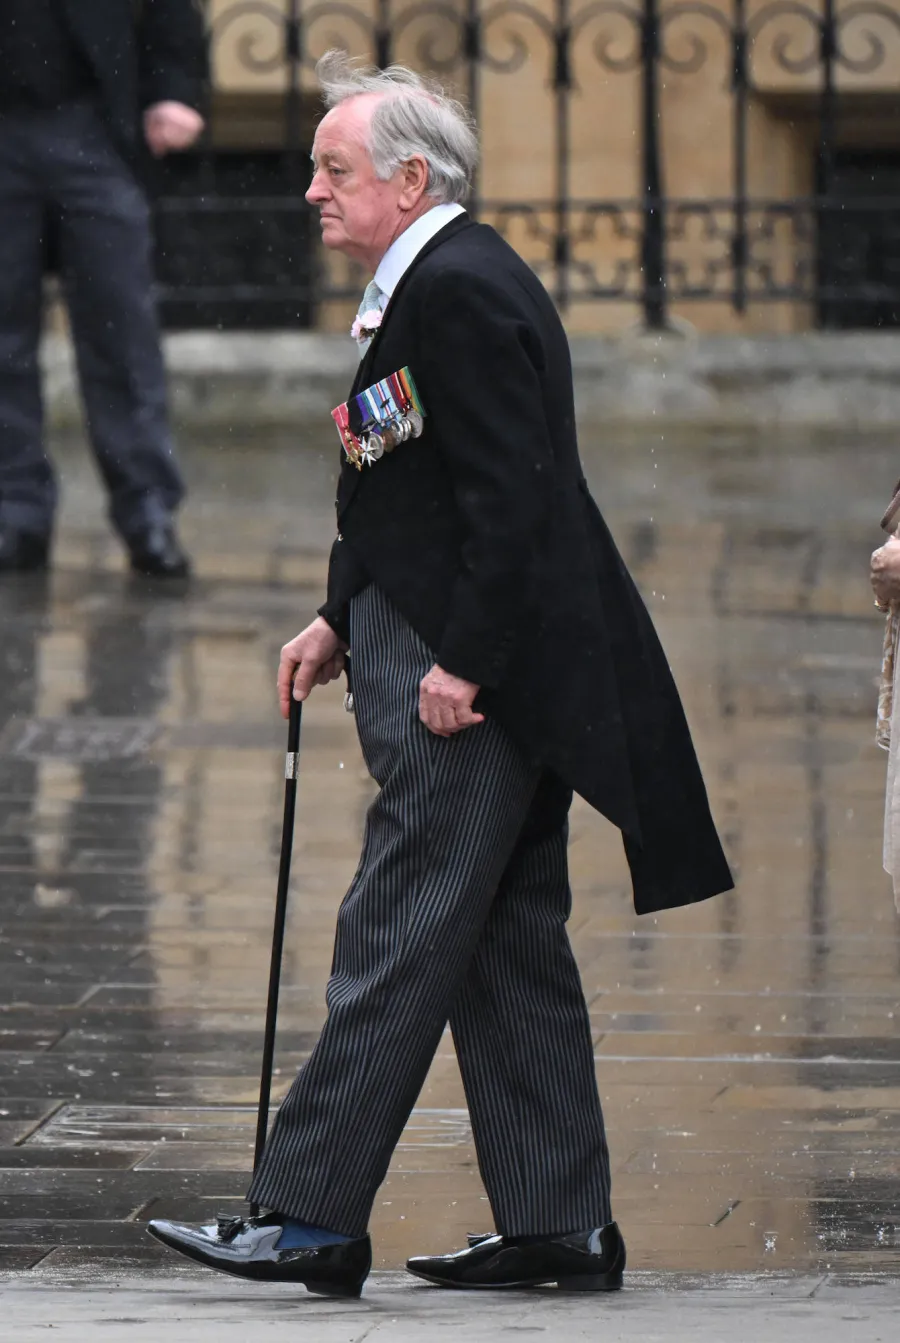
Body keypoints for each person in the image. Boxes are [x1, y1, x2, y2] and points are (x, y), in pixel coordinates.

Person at [148, 52, 734, 1298]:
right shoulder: (430, 279)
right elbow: (398, 474)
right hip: (432, 642)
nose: (311, 188)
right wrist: (338, 614)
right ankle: (558, 1220)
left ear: (411, 178)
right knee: (503, 941)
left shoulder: (460, 286)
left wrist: (464, 660)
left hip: (466, 672)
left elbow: (514, 501)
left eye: (334, 167)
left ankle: (306, 1212)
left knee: (400, 926)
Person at [0, 0, 207, 577]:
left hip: (94, 124)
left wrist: (173, 88)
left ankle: (146, 510)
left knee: (121, 336)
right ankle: (14, 512)